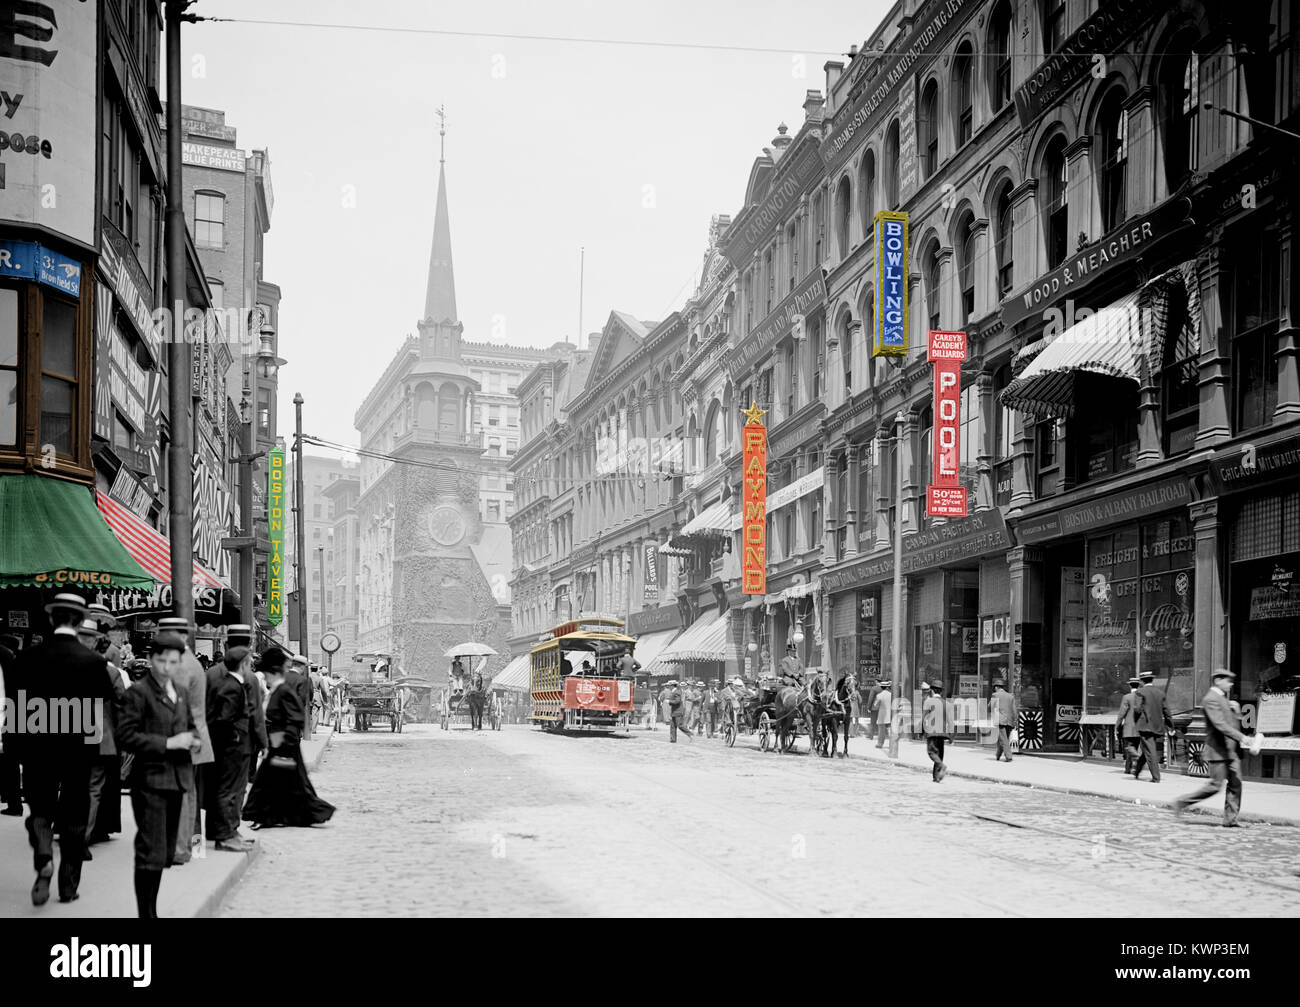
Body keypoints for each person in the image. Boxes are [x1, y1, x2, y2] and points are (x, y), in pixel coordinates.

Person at [16, 593, 117, 905]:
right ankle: (68, 886)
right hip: (78, 750)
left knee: (40, 810)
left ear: (51, 618)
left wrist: (19, 748)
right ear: (78, 621)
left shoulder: (29, 658)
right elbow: (99, 713)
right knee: (75, 816)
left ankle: (44, 855)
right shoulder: (94, 663)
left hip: (37, 747)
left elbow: (17, 708)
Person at [117, 631, 201, 918]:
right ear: (152, 659)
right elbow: (126, 736)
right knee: (151, 850)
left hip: (177, 779)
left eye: (173, 662)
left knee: (164, 853)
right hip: (150, 781)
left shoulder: (180, 691)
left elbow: (189, 725)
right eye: (162, 661)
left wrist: (193, 738)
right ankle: (147, 913)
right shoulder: (138, 693)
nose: (167, 667)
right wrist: (167, 743)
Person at [242, 648, 335, 829]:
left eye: (267, 675)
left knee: (267, 782)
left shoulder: (283, 690)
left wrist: (278, 745)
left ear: (273, 673)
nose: (265, 679)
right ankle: (279, 816)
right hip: (281, 746)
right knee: (292, 784)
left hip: (283, 747)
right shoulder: (277, 690)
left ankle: (265, 816)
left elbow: (296, 718)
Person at [155, 616, 213, 863]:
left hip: (183, 737)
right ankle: (194, 847)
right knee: (191, 795)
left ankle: (181, 849)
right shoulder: (191, 661)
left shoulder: (180, 665)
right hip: (195, 737)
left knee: (183, 796)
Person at [1173, 669, 1249, 827]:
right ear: (1218, 680)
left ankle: (1230, 820)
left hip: (1231, 751)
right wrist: (1242, 737)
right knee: (1215, 786)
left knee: (1236, 784)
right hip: (1218, 751)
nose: (1231, 684)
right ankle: (1182, 802)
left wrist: (1237, 712)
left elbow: (1231, 723)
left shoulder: (1223, 699)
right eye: (1228, 680)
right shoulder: (1210, 699)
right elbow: (1220, 725)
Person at [78, 618, 127, 853]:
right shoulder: (110, 672)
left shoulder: (69, 666)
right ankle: (83, 837)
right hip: (100, 735)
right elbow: (121, 705)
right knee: (93, 787)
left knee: (72, 785)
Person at [205, 647, 254, 852]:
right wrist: (234, 739)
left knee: (229, 790)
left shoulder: (228, 683)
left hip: (229, 746)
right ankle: (224, 836)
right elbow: (224, 719)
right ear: (243, 664)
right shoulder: (232, 687)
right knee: (228, 791)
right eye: (249, 663)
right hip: (231, 748)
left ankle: (229, 833)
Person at [1133, 669, 1174, 783]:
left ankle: (1156, 777)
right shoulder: (1160, 693)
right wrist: (1171, 726)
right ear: (1152, 680)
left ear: (1142, 681)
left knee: (1150, 751)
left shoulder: (1140, 692)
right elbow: (1167, 711)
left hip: (1145, 726)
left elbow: (1137, 709)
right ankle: (1136, 771)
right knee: (1147, 749)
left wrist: (1136, 722)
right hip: (1157, 726)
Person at [0, 633, 23, 816]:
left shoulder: (3, 656)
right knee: (11, 759)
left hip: (6, 710)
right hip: (17, 711)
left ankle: (11, 800)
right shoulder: (15, 660)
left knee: (9, 758)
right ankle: (13, 800)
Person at [923, 681, 952, 782]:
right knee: (939, 754)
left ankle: (941, 766)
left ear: (931, 690)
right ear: (941, 692)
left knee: (931, 752)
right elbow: (950, 721)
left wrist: (922, 730)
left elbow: (924, 717)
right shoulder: (947, 704)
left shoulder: (928, 702)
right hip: (943, 733)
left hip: (931, 732)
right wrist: (951, 736)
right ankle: (936, 778)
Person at [1116, 677, 1143, 774]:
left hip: (1128, 728)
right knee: (1135, 746)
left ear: (1130, 685)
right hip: (1140, 727)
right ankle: (1132, 767)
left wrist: (1117, 726)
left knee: (1128, 747)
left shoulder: (1127, 697)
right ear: (1138, 685)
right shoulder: (1141, 697)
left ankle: (1128, 768)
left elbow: (1121, 714)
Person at [989, 678, 1017, 763]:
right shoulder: (1010, 696)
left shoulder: (995, 695)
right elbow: (1014, 710)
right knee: (1004, 738)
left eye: (994, 687)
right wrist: (1015, 720)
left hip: (1001, 720)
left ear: (996, 687)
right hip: (1010, 720)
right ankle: (998, 754)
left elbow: (990, 707)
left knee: (1003, 739)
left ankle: (1008, 756)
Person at [873, 680, 892, 749]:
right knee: (890, 730)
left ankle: (880, 743)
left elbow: (875, 705)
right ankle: (892, 744)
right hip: (890, 714)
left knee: (881, 731)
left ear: (881, 687)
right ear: (887, 687)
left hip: (882, 715)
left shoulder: (879, 695)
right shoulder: (891, 695)